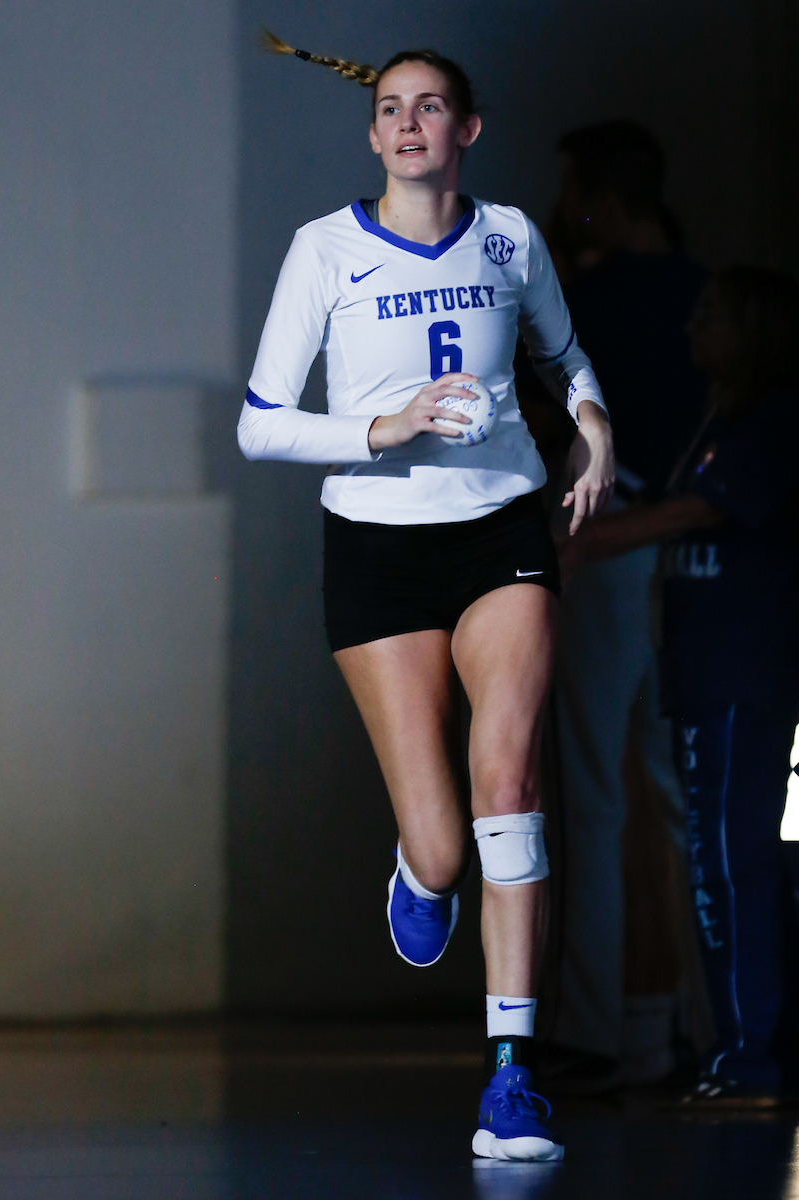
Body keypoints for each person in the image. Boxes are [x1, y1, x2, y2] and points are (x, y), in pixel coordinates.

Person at [238, 35, 614, 1159]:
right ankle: (419, 863)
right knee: (447, 850)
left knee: (511, 781)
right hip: (378, 551)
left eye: (430, 106)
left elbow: (566, 357)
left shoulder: (508, 237)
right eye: (391, 108)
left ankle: (510, 1078)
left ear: (466, 128)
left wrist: (592, 425)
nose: (408, 124)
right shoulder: (322, 252)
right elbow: (260, 423)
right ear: (371, 134)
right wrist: (381, 427)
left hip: (501, 530)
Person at [557, 265, 799, 1099]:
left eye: (711, 317)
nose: (692, 331)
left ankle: (748, 1058)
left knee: (734, 867)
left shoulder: (772, 424)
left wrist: (587, 541)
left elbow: (698, 511)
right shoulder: (715, 424)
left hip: (743, 681)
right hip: (701, 678)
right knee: (714, 865)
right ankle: (736, 1051)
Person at [540, 122, 709, 1088]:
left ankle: (598, 1032)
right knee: (685, 795)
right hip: (690, 551)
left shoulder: (581, 301)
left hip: (605, 549)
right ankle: (707, 1025)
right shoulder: (705, 295)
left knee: (591, 792)